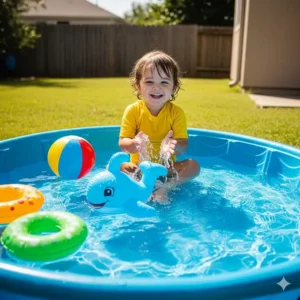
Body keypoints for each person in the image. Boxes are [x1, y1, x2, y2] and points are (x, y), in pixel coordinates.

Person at [118, 50, 200, 202]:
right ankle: (139, 185)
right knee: (120, 166)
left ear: (174, 87)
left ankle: (166, 188)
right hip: (139, 168)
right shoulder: (133, 111)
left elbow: (183, 146)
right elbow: (123, 144)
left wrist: (175, 146)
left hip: (167, 169)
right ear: (138, 85)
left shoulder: (176, 113)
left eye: (164, 82)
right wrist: (133, 144)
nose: (157, 88)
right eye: (149, 82)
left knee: (193, 166)